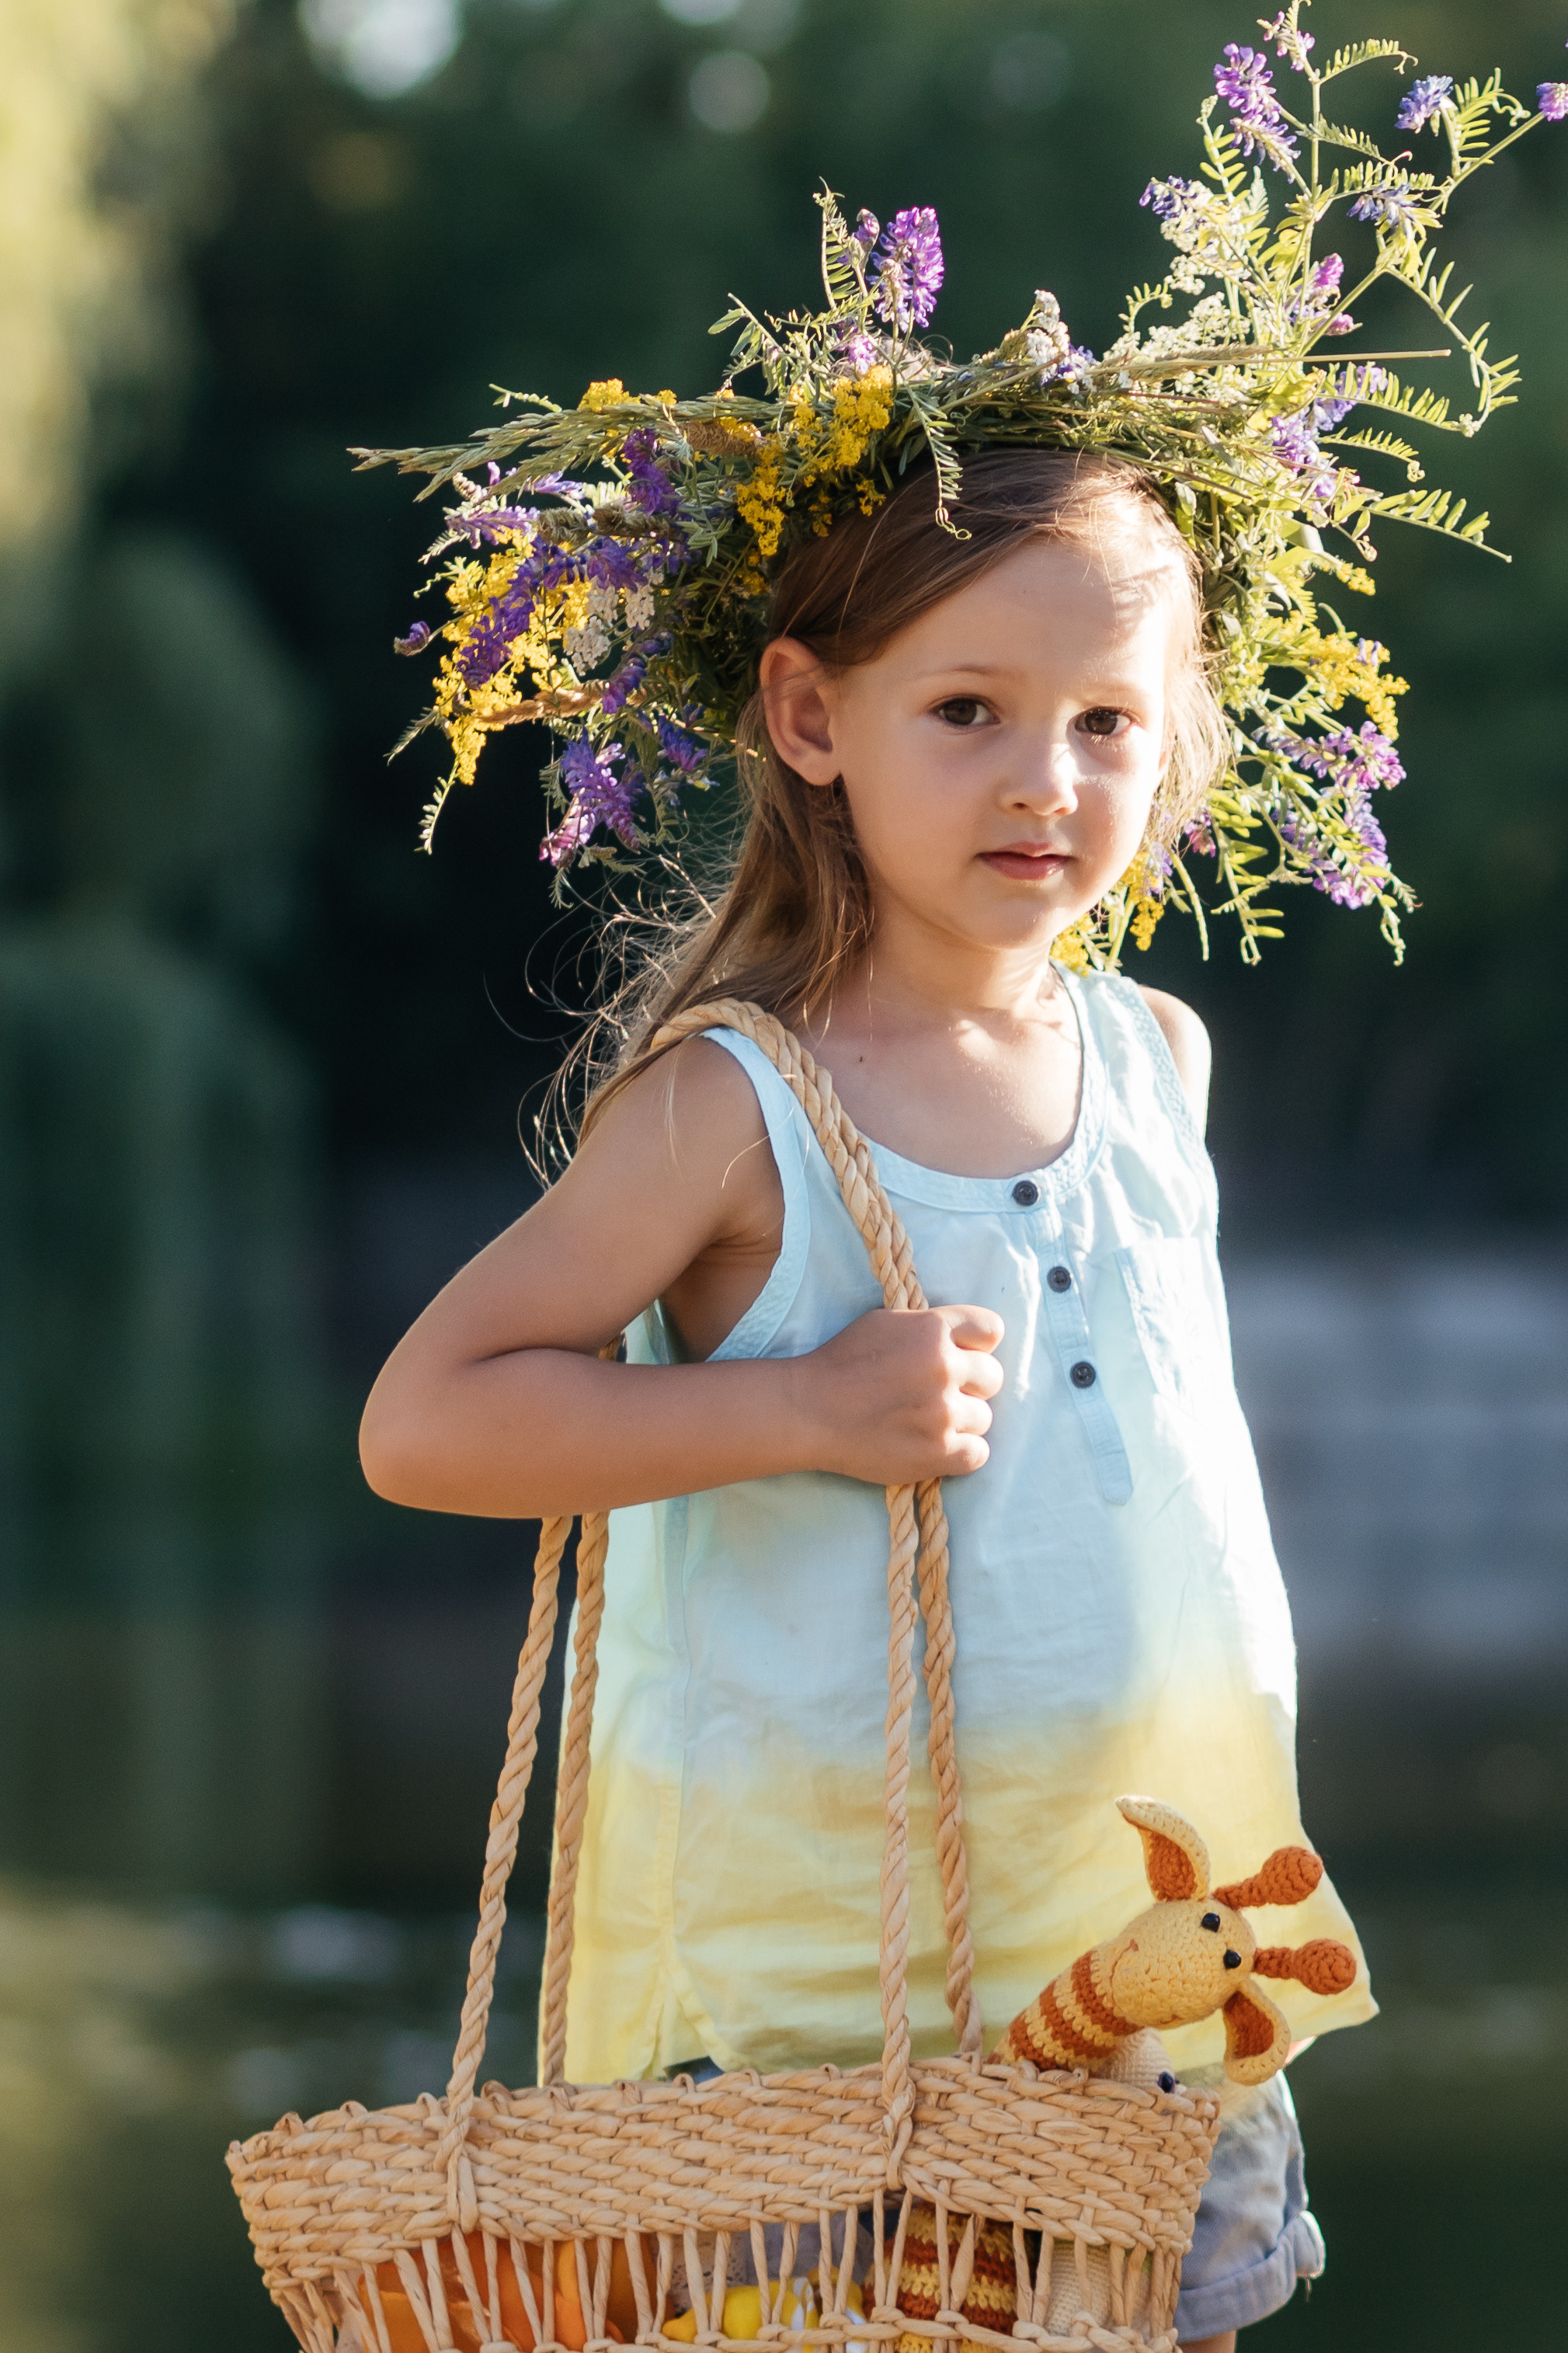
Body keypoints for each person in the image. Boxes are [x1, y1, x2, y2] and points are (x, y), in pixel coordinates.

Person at [360, 449, 1373, 2351]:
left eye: (1102, 723)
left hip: (1153, 1968)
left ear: (1173, 739)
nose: (1039, 779)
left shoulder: (1158, 1060)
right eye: (967, 709)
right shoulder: (734, 1105)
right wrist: (809, 1408)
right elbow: (427, 1420)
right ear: (814, 717)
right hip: (822, 2000)